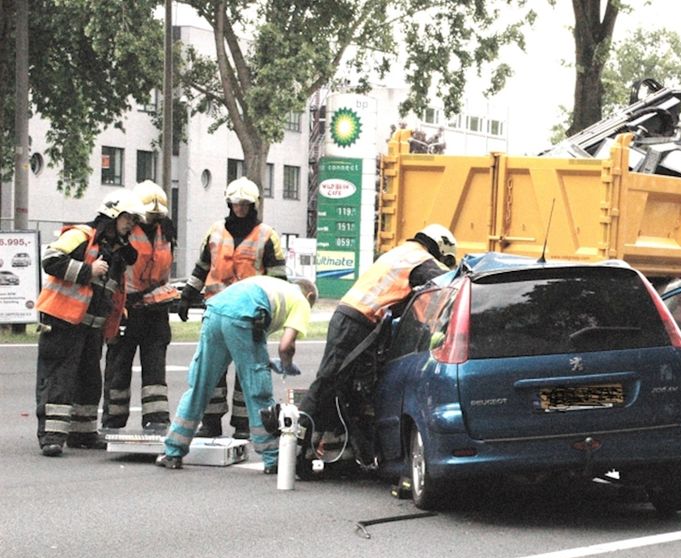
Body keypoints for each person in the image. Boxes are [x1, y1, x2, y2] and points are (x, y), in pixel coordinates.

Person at [296, 224, 456, 464]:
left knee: (348, 386)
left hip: (352, 317)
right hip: (358, 320)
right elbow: (447, 284)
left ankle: (335, 446)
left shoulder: (401, 252)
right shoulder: (421, 260)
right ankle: (295, 443)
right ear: (440, 246)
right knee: (328, 381)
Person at [156, 276, 317, 473]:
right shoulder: (301, 301)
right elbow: (286, 345)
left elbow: (244, 345)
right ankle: (273, 458)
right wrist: (286, 363)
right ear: (309, 295)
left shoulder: (271, 285)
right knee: (258, 391)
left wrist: (265, 361)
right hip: (244, 319)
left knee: (199, 385)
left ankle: (173, 451)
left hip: (215, 312)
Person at [178, 176, 287, 440]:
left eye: (244, 204)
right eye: (236, 204)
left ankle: (242, 424)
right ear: (229, 203)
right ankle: (211, 422)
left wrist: (268, 311)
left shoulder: (266, 236)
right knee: (211, 371)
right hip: (216, 311)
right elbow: (202, 267)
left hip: (250, 315)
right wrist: (187, 294)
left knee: (247, 372)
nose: (239, 209)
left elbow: (278, 278)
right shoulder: (215, 231)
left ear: (253, 205)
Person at [35, 190, 142, 456]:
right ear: (113, 215)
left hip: (91, 326)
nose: (131, 225)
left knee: (89, 380)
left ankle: (82, 433)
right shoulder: (80, 235)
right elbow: (50, 260)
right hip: (62, 321)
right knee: (59, 379)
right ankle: (52, 436)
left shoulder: (116, 251)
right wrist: (87, 271)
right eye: (127, 218)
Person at [101, 181, 180, 433]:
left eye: (158, 215)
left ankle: (156, 419)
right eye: (149, 215)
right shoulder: (124, 232)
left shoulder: (165, 232)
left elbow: (165, 270)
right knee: (119, 367)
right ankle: (113, 419)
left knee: (155, 367)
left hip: (155, 311)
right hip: (127, 308)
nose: (154, 219)